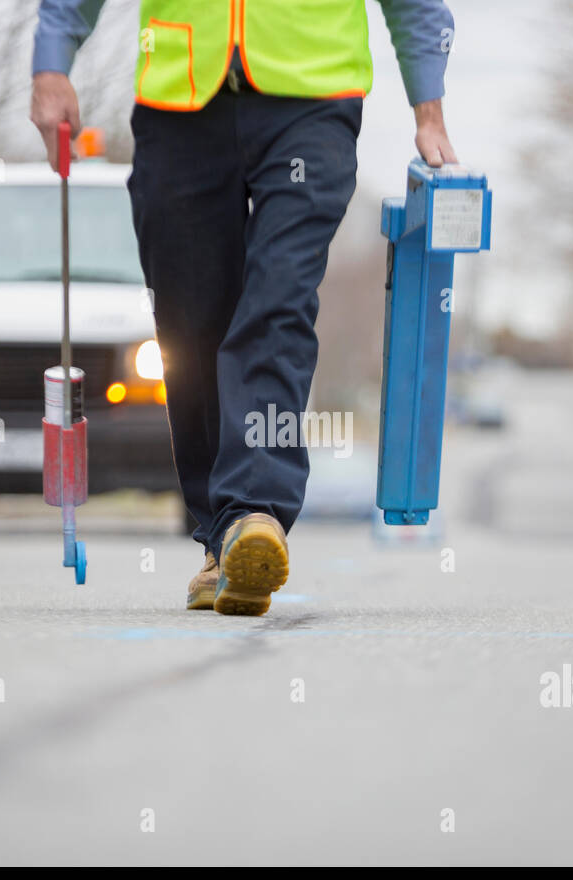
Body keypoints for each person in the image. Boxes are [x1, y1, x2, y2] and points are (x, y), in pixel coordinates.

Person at [31, 0, 457, 614]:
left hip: (312, 96)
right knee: (190, 325)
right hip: (179, 101)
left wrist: (429, 108)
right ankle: (221, 539)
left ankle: (256, 509)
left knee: (276, 303)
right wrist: (51, 63)